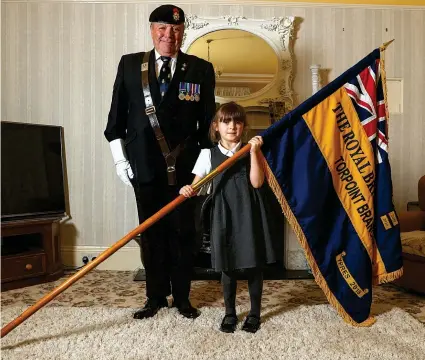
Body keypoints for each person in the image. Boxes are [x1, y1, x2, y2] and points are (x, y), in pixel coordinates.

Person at [104, 4, 216, 320]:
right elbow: (115, 120)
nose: (170, 35)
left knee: (184, 233)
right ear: (152, 29)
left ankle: (181, 297)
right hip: (144, 166)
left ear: (183, 32)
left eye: (177, 29)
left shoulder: (200, 69)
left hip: (185, 168)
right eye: (163, 28)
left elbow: (208, 123)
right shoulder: (129, 66)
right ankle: (154, 297)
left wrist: (204, 162)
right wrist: (119, 161)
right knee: (151, 233)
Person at [179, 102, 282, 333]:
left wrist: (254, 151)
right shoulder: (208, 154)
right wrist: (186, 189)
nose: (232, 126)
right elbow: (196, 187)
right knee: (227, 266)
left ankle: (254, 313)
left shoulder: (251, 151)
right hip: (223, 214)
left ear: (243, 126)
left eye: (237, 122)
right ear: (216, 126)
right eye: (226, 121)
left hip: (249, 212)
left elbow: (257, 182)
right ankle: (230, 313)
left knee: (254, 264)